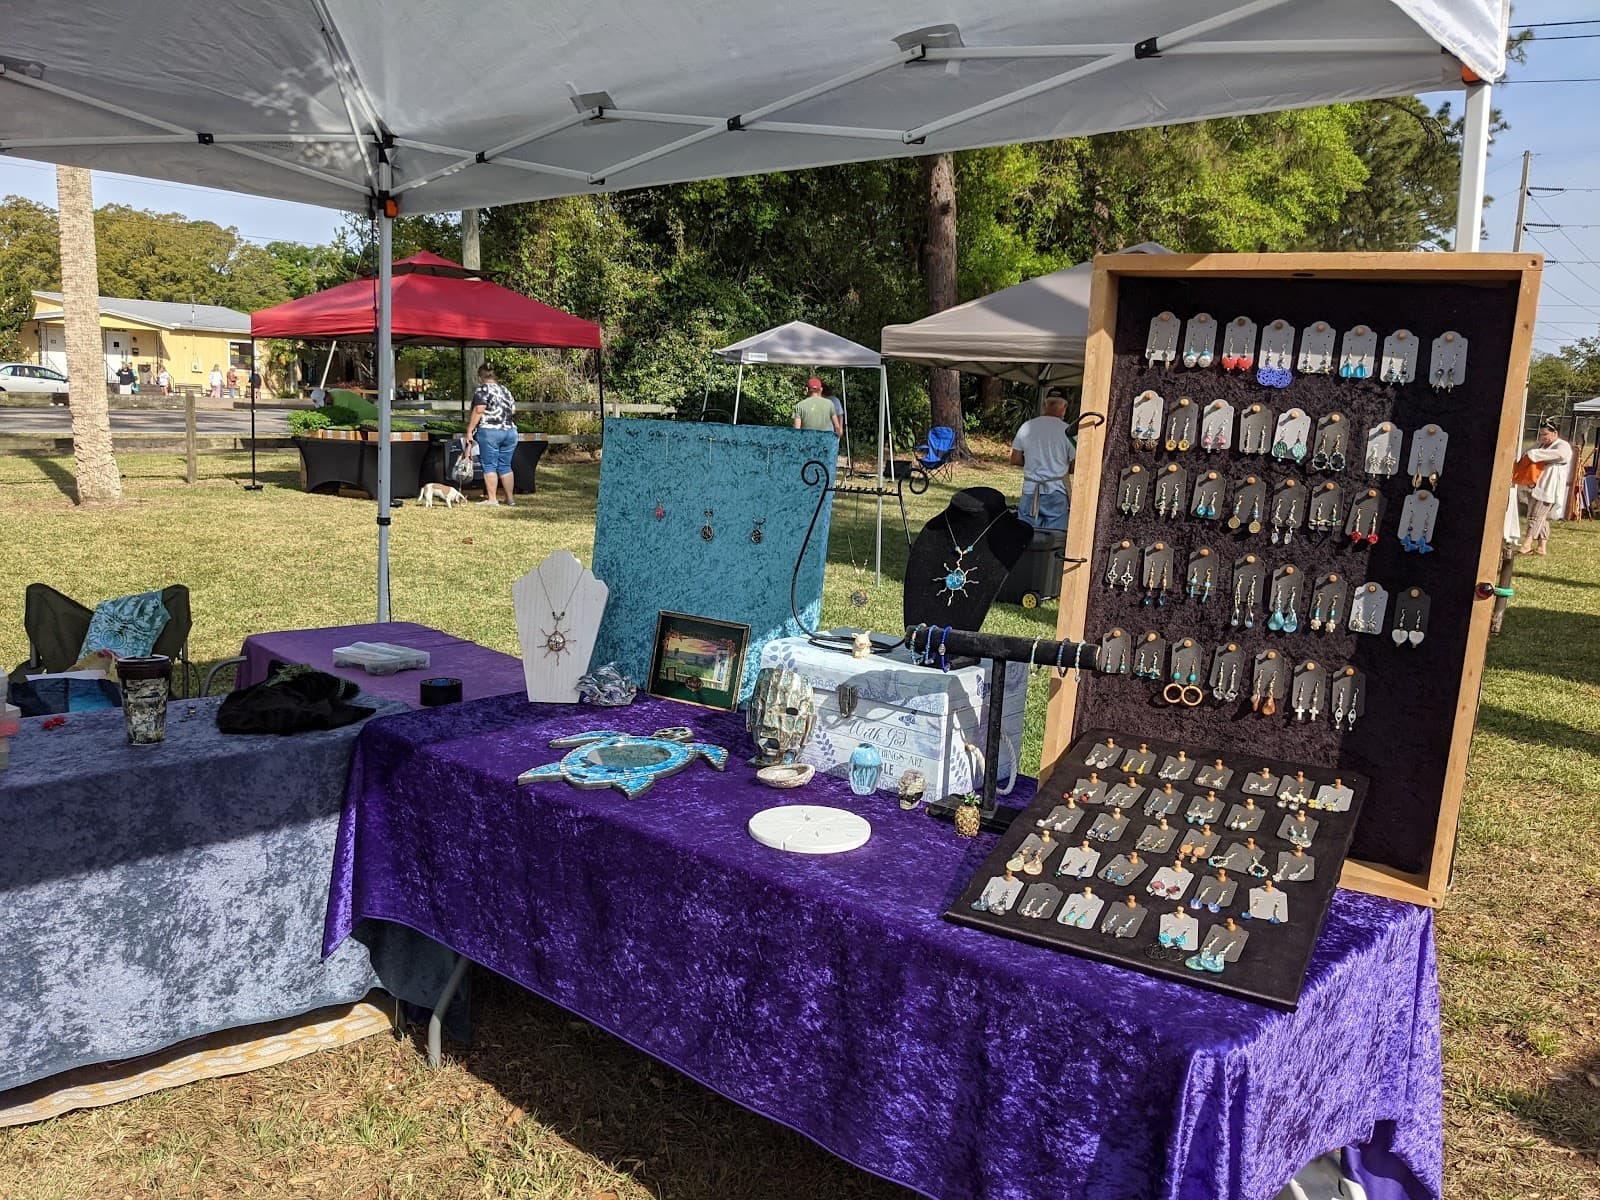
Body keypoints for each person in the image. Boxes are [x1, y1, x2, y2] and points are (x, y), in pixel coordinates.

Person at [1010, 389, 1076, 531]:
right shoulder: (1068, 431)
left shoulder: (1027, 426)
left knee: (1025, 534)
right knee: (1054, 538)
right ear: (1065, 407)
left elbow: (1015, 459)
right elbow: (1076, 465)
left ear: (1045, 405)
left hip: (1030, 489)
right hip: (1056, 490)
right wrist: (1061, 467)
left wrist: (1032, 463)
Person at [464, 362, 518, 506]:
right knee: (505, 465)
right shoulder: (505, 390)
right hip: (510, 431)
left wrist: (469, 430)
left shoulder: (482, 390)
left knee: (489, 465)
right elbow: (513, 410)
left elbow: (479, 410)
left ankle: (492, 499)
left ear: (480, 377)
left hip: (490, 431)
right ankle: (510, 498)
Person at [1518, 419, 1573, 556]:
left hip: (1549, 486)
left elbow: (1560, 455)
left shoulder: (1563, 445)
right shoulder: (1540, 445)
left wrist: (1535, 456)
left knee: (1536, 516)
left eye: (1546, 435)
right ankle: (1542, 547)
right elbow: (1527, 453)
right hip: (1535, 483)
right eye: (1541, 434)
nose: (1543, 437)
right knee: (1538, 516)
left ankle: (1527, 545)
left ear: (1555, 433)